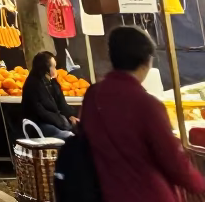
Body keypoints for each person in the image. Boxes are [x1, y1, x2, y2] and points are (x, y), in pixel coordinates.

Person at [82, 25, 205, 202]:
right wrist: (199, 183)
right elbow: (174, 161)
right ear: (147, 61)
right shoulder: (147, 105)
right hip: (148, 194)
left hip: (105, 193)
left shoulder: (93, 96)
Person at [21, 50, 77, 138]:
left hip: (57, 123)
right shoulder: (32, 84)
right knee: (69, 137)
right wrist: (60, 122)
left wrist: (70, 116)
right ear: (45, 68)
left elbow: (61, 103)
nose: (55, 69)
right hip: (40, 125)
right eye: (53, 67)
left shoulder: (53, 83)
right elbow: (39, 111)